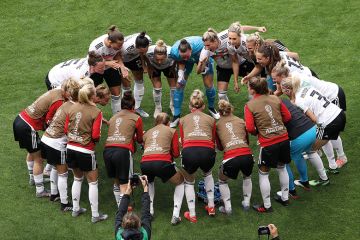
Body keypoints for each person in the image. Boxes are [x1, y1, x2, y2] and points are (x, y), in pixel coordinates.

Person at [272, 61, 347, 172]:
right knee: (324, 133)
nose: (274, 82)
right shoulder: (297, 82)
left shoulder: (299, 94)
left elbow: (314, 119)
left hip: (332, 97)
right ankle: (329, 161)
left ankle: (334, 163)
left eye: (275, 79)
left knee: (321, 137)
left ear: (283, 77)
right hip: (333, 109)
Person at [280, 75, 346, 185]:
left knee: (311, 150)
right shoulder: (307, 88)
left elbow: (314, 119)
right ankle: (333, 166)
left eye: (282, 90)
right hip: (338, 114)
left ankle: (324, 179)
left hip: (329, 121)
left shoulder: (299, 101)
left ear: (288, 90)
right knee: (323, 139)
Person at [244, 77, 291, 212]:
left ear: (252, 89)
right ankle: (285, 198)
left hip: (268, 143)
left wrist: (259, 132)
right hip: (283, 138)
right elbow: (287, 117)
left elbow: (249, 127)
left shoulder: (250, 105)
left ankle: (267, 206)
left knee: (263, 173)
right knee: (282, 168)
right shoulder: (276, 99)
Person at [13, 81, 67, 197]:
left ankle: (33, 178)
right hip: (28, 127)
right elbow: (49, 119)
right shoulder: (59, 101)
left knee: (32, 152)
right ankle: (40, 190)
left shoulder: (55, 91)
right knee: (39, 158)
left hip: (20, 119)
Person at [65, 83, 108, 223]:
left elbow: (66, 128)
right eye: (95, 93)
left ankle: (76, 209)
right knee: (93, 183)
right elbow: (96, 135)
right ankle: (95, 215)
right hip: (85, 150)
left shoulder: (72, 107)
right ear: (91, 96)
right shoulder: (96, 112)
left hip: (70, 148)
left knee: (77, 179)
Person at [40, 77, 81, 209]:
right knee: (63, 174)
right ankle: (64, 203)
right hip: (56, 143)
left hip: (46, 139)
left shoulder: (64, 104)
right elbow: (68, 129)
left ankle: (53, 194)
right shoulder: (75, 108)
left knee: (53, 166)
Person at [179, 90, 217, 222]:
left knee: (189, 181)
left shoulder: (182, 120)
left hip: (189, 151)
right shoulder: (211, 119)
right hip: (207, 150)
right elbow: (213, 140)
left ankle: (193, 214)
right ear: (204, 106)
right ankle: (211, 206)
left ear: (190, 107)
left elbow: (183, 141)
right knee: (208, 174)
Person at [140, 112, 184, 225]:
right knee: (180, 182)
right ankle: (175, 215)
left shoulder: (147, 133)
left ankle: (149, 212)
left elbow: (145, 148)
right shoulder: (172, 131)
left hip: (145, 163)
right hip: (162, 163)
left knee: (150, 183)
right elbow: (176, 153)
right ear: (168, 123)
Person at [279, 99, 328, 195]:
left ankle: (291, 190)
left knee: (284, 162)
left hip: (300, 137)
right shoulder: (284, 100)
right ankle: (318, 178)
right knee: (310, 151)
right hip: (313, 130)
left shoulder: (272, 108)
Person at [103, 91, 143, 207]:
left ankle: (120, 208)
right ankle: (123, 213)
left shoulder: (113, 117)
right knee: (124, 184)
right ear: (133, 106)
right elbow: (140, 139)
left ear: (121, 106)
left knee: (116, 182)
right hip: (122, 152)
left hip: (107, 151)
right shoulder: (136, 118)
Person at [169, 37, 220, 127]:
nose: (185, 58)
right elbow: (181, 61)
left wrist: (202, 67)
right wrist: (180, 75)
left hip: (203, 58)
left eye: (186, 56)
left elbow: (202, 66)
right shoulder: (174, 51)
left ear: (191, 50)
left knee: (208, 84)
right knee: (179, 85)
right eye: (183, 56)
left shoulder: (202, 46)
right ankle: (176, 115)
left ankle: (211, 108)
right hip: (188, 62)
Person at [215, 100, 254, 214]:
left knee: (222, 180)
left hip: (231, 158)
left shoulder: (217, 125)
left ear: (220, 112)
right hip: (247, 155)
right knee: (247, 177)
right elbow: (247, 141)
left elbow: (220, 147)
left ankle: (228, 208)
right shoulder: (241, 121)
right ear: (231, 109)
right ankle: (246, 203)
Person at [89, 25, 128, 114]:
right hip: (97, 70)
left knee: (116, 94)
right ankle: (91, 116)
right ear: (110, 42)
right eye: (119, 46)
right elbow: (91, 61)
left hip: (112, 67)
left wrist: (122, 67)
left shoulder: (118, 44)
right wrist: (107, 63)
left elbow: (117, 54)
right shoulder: (96, 47)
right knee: (92, 95)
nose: (121, 47)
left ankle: (116, 118)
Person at [198, 28, 239, 102]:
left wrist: (257, 28)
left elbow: (239, 28)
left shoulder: (225, 36)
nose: (206, 48)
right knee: (221, 95)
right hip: (223, 68)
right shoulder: (205, 51)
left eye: (208, 45)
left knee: (253, 85)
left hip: (239, 63)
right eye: (205, 45)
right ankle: (227, 111)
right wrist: (201, 63)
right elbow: (198, 71)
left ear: (215, 41)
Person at [121, 31, 152, 118]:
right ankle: (125, 108)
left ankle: (137, 107)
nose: (143, 52)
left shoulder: (148, 40)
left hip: (134, 58)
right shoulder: (125, 48)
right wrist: (123, 68)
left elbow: (142, 53)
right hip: (121, 59)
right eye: (141, 51)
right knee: (126, 82)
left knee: (139, 79)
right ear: (136, 47)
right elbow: (117, 56)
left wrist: (144, 64)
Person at [145, 39, 177, 118]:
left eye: (162, 59)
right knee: (157, 88)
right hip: (153, 66)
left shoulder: (172, 53)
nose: (159, 62)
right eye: (157, 59)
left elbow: (178, 59)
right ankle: (158, 108)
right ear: (153, 55)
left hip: (169, 66)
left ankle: (172, 106)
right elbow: (142, 56)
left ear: (166, 55)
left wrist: (173, 68)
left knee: (174, 88)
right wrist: (148, 66)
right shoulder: (148, 52)